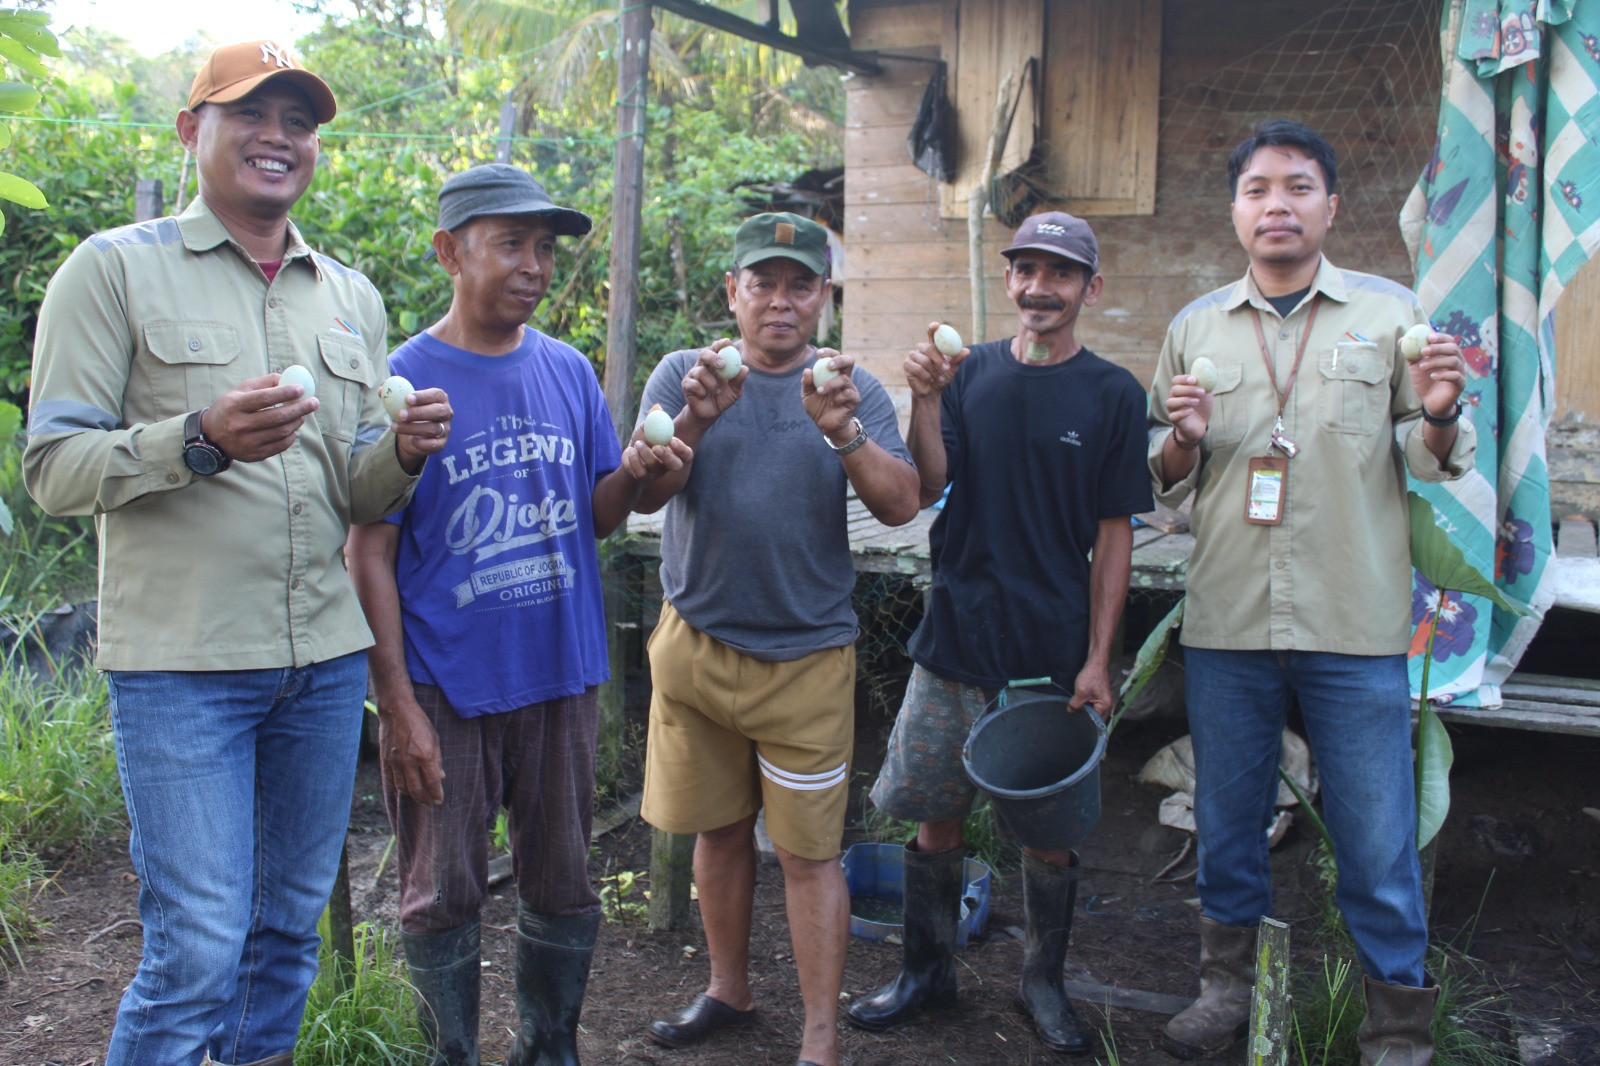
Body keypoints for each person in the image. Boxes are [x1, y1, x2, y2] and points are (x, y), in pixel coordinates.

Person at [22, 40, 453, 1066]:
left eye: (297, 120)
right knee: (197, 951)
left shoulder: (347, 296)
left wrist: (396, 453)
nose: (277, 137)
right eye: (249, 113)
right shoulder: (114, 270)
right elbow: (52, 468)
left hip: (318, 667)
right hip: (185, 669)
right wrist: (199, 437)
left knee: (281, 939)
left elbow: (352, 492)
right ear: (191, 132)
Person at [1147, 119, 1475, 1066]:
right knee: (1228, 825)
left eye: (1298, 186)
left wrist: (1445, 413)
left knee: (1376, 841)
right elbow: (1166, 476)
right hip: (1230, 620)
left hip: (1357, 620)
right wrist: (1184, 435)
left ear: (1331, 206)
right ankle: (1224, 995)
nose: (1277, 204)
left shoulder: (1388, 314)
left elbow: (1428, 457)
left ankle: (1399, 1031)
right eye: (1258, 188)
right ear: (1235, 210)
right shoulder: (1194, 327)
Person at [348, 164, 683, 1066]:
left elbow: (597, 515)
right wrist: (398, 705)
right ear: (450, 252)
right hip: (446, 684)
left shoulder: (567, 371)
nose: (534, 265)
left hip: (559, 672)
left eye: (544, 247)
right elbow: (367, 550)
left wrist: (641, 476)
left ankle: (549, 1049)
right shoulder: (401, 383)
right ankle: (450, 1052)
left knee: (564, 879)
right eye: (511, 244)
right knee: (441, 890)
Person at [847, 211, 1152, 1055]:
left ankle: (1042, 986)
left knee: (1050, 837)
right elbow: (931, 481)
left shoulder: (1114, 395)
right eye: (1025, 271)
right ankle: (926, 973)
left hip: (1050, 656)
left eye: (1060, 274)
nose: (1038, 288)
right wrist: (926, 397)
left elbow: (1115, 534)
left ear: (1091, 288)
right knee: (934, 817)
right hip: (957, 639)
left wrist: (1098, 659)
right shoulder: (969, 371)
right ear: (1010, 279)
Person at [633, 212, 921, 1066]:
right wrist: (694, 424)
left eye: (802, 285)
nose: (782, 302)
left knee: (805, 854)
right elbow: (644, 495)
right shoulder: (685, 376)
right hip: (696, 644)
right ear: (734, 292)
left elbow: (903, 504)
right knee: (717, 833)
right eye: (764, 282)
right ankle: (729, 988)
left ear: (824, 299)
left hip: (805, 658)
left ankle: (820, 1037)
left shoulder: (846, 388)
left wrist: (842, 432)